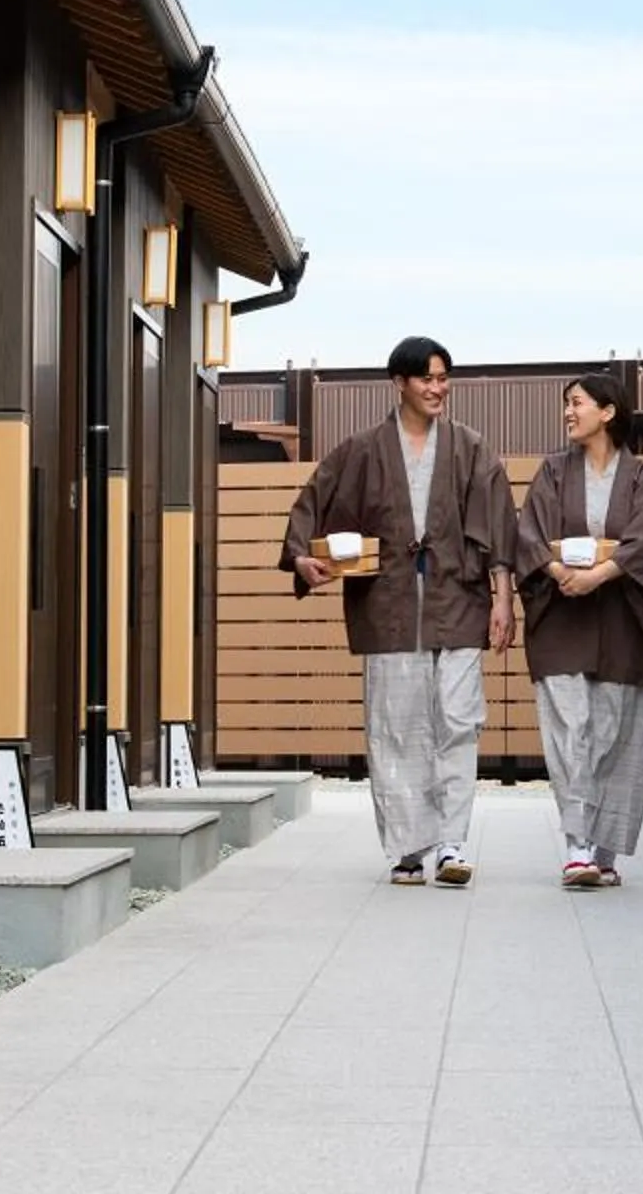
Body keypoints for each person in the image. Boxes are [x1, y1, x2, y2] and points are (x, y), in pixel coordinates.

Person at [283, 336, 515, 886]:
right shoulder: (362, 449)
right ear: (400, 383)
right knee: (395, 729)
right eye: (427, 379)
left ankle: (453, 845)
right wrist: (299, 557)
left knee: (459, 725)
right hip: (388, 607)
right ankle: (410, 848)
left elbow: (501, 522)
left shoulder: (471, 448)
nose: (438, 388)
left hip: (458, 602)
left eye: (443, 378)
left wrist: (504, 597)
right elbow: (311, 501)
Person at [515, 372, 643, 889]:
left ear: (608, 412)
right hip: (562, 618)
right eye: (566, 404)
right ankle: (577, 847)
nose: (568, 412)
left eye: (577, 403)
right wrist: (563, 574)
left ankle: (604, 850)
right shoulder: (552, 472)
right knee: (571, 732)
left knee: (615, 732)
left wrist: (599, 576)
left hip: (622, 621)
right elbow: (528, 533)